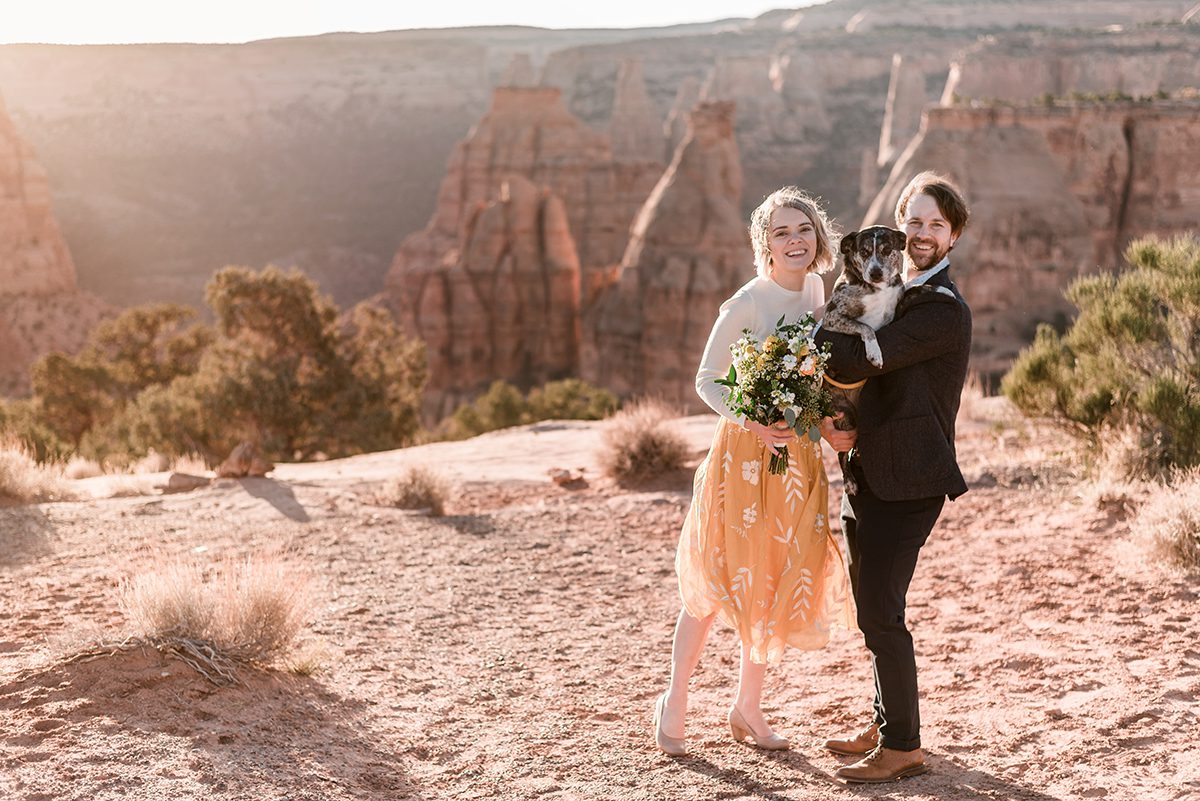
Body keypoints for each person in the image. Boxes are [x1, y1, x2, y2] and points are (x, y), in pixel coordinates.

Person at [654, 187, 857, 757]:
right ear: (763, 244)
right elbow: (707, 379)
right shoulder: (746, 302)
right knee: (716, 578)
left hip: (796, 461)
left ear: (818, 236)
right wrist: (753, 421)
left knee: (770, 577)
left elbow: (816, 378)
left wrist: (822, 425)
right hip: (745, 457)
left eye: (803, 230)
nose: (794, 241)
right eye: (781, 233)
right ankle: (675, 700)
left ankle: (747, 707)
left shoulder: (817, 289)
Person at [815, 171, 972, 783]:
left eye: (937, 223)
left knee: (882, 609)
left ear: (953, 236)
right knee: (870, 608)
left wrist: (814, 335)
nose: (923, 233)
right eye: (915, 222)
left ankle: (903, 744)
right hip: (866, 471)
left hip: (908, 479)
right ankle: (887, 721)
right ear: (900, 229)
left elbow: (854, 357)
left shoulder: (940, 310)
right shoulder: (897, 294)